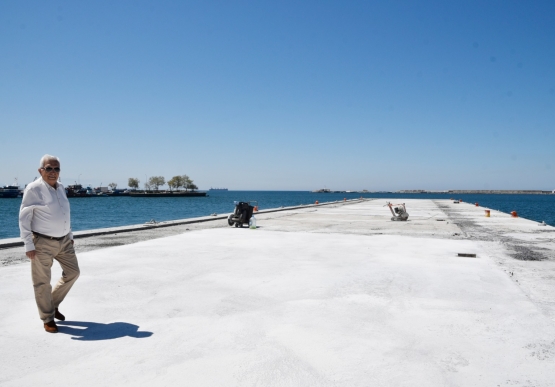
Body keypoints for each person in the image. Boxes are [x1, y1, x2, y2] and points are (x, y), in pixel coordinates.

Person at [19, 154, 80, 333]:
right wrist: (28, 245)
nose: (53, 172)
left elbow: (63, 212)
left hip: (64, 241)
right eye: (49, 168)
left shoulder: (61, 187)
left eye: (56, 169)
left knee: (73, 273)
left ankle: (52, 304)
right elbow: (24, 217)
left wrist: (69, 233)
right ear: (41, 170)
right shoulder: (33, 189)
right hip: (42, 242)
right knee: (42, 282)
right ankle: (47, 318)